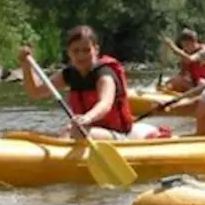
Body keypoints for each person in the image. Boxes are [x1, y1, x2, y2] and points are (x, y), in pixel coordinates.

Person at [19, 25, 150, 140]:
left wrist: (87, 118)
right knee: (68, 132)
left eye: (86, 50)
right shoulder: (69, 74)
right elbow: (35, 92)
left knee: (75, 132)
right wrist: (26, 66)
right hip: (87, 132)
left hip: (117, 135)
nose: (81, 56)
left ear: (96, 50)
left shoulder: (104, 74)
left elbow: (105, 104)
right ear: (69, 53)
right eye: (76, 51)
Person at [161, 28, 205, 93]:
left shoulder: (204, 51)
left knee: (201, 82)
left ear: (194, 41)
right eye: (183, 46)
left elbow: (190, 59)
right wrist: (169, 83)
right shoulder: (186, 52)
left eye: (187, 45)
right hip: (194, 85)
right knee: (172, 82)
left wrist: (172, 47)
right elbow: (182, 74)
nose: (185, 48)